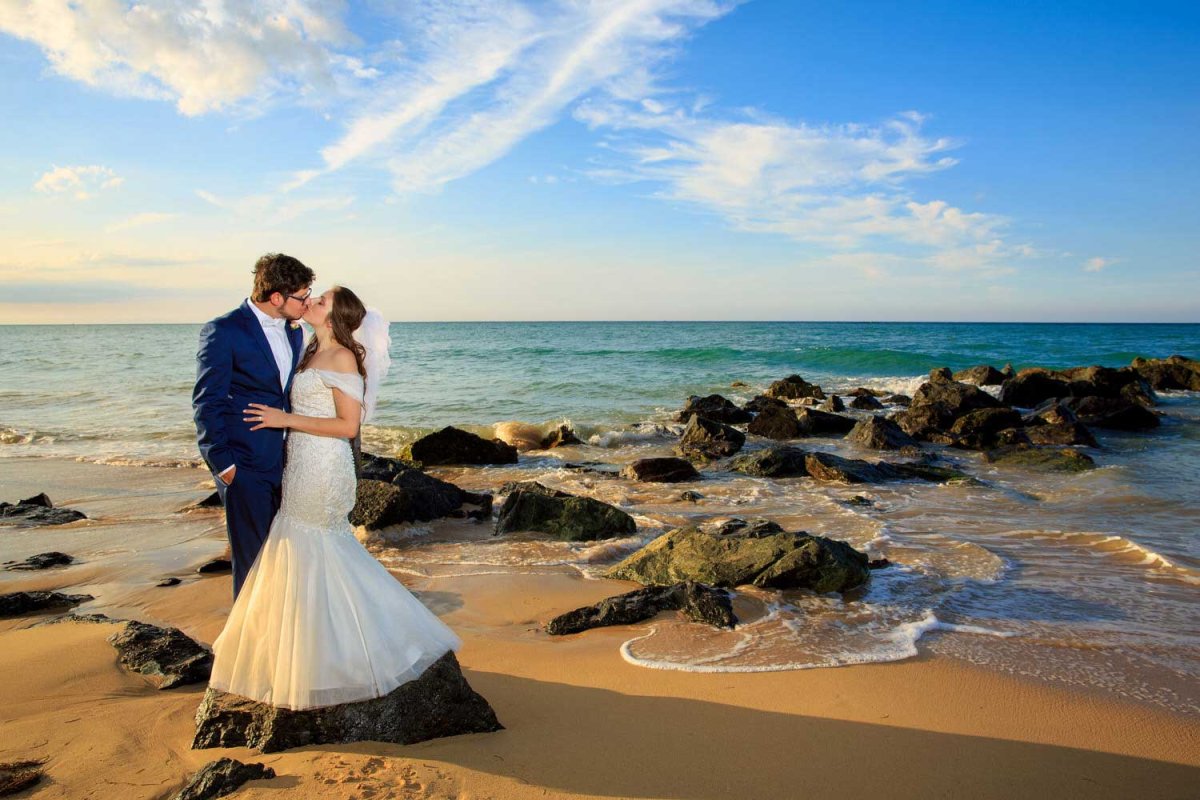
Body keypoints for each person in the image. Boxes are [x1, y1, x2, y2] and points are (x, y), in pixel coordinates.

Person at [206, 285, 462, 710]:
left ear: (334, 316)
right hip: (300, 463)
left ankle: (359, 652)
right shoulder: (305, 348)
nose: (312, 303)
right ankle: (308, 656)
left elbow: (347, 426)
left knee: (319, 549)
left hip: (324, 467)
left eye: (321, 301)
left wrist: (283, 418)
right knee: (301, 555)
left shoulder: (343, 356)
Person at [193, 253, 314, 598]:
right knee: (253, 563)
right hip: (244, 464)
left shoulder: (294, 332)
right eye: (301, 297)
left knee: (283, 559)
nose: (306, 304)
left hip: (287, 462)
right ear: (277, 297)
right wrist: (223, 464)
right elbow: (207, 401)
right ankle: (248, 648)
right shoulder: (224, 331)